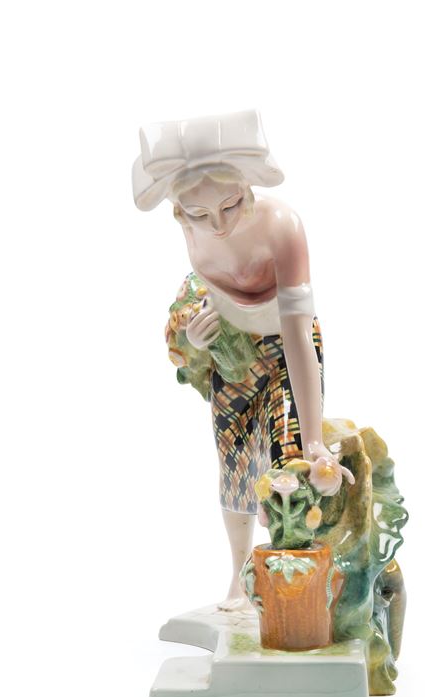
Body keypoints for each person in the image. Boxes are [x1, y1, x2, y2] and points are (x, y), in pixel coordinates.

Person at [133, 110, 352, 611]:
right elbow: (202, 292)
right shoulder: (192, 227)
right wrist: (195, 337)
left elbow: (298, 333)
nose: (218, 224)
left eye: (230, 206)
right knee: (233, 466)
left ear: (247, 191)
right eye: (199, 214)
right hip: (232, 353)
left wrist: (315, 438)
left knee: (289, 461)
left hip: (287, 346)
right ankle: (239, 575)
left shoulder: (282, 227)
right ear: (179, 212)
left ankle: (293, 582)